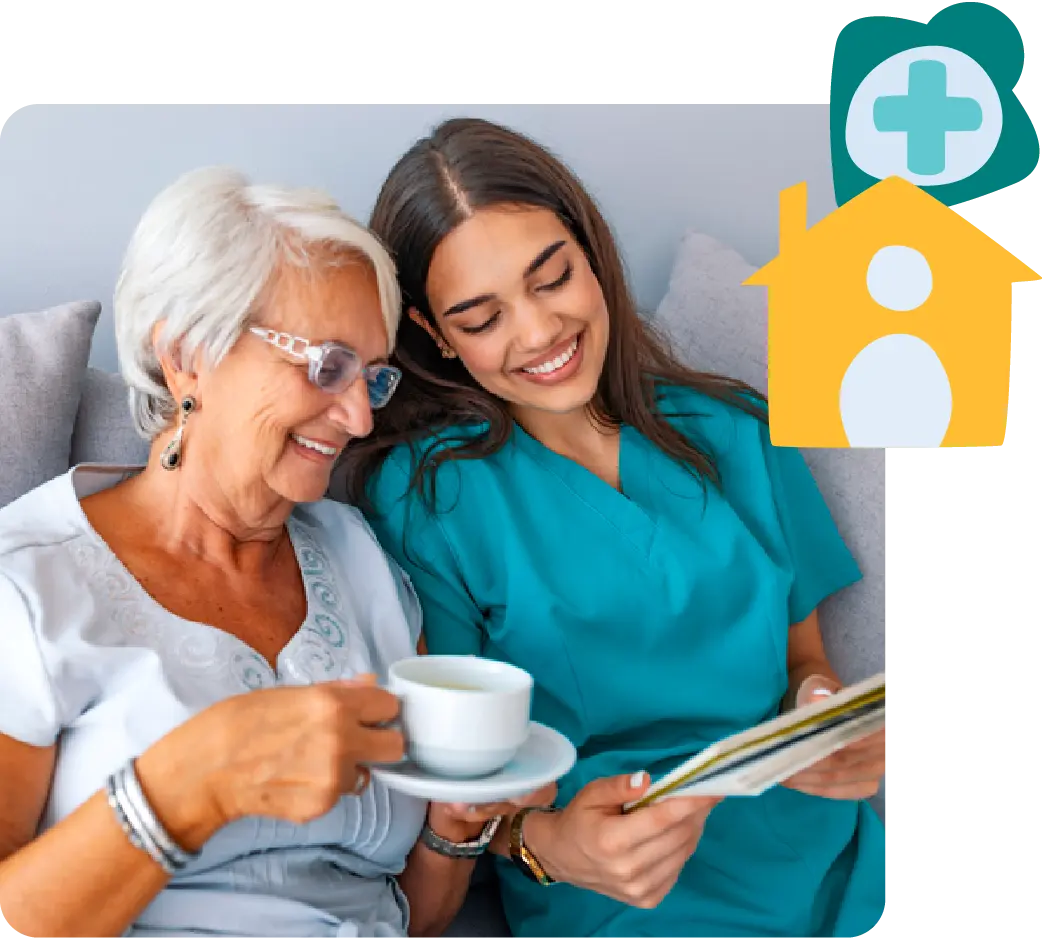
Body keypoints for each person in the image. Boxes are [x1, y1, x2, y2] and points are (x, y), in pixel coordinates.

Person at [335, 117, 888, 938]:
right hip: (616, 884)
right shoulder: (427, 498)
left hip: (822, 856)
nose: (538, 332)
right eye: (482, 318)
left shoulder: (737, 429)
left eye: (551, 278)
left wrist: (824, 721)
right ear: (434, 336)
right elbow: (462, 783)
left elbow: (803, 659)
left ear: (591, 255)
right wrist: (549, 844)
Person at [0, 166, 551, 938]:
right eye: (326, 366)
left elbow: (411, 918)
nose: (359, 417)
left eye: (374, 376)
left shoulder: (363, 562)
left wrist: (453, 830)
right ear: (188, 353)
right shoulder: (27, 585)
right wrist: (192, 785)